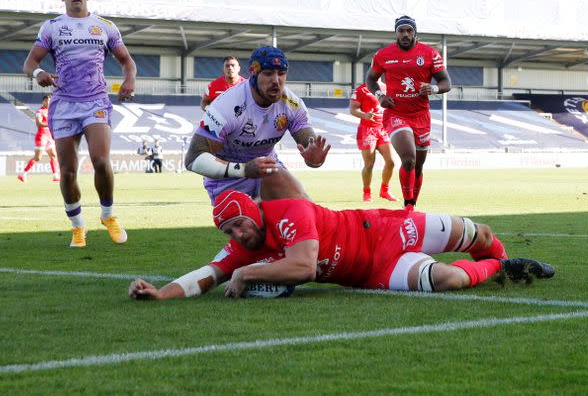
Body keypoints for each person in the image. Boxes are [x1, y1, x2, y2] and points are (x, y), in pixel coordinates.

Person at [128, 190, 555, 300]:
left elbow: (304, 267)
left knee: (476, 232)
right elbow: (207, 274)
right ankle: (502, 269)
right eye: (229, 233)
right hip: (372, 272)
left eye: (239, 225)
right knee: (447, 280)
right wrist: (160, 292)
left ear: (256, 211)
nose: (237, 237)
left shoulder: (289, 210)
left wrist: (245, 273)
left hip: (384, 228)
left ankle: (498, 256)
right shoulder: (244, 245)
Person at [23, 0, 136, 248]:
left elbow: (126, 61)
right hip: (63, 105)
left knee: (100, 160)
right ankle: (78, 226)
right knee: (68, 172)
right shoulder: (52, 28)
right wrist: (38, 72)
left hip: (96, 101)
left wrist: (129, 79)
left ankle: (108, 215)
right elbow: (30, 62)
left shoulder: (104, 27)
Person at [184, 46, 330, 204]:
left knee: (304, 211)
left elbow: (309, 146)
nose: (276, 80)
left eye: (281, 74)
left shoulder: (292, 104)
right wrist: (244, 169)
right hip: (229, 179)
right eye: (268, 74)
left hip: (267, 169)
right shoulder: (225, 106)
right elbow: (193, 159)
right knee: (249, 226)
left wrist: (314, 159)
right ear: (253, 72)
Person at [365, 15, 451, 210]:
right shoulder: (383, 55)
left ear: (415, 33)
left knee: (418, 166)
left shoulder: (430, 54)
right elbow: (370, 79)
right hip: (396, 114)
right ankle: (408, 205)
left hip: (421, 116)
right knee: (409, 159)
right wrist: (379, 95)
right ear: (396, 33)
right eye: (401, 31)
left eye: (408, 31)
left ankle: (413, 204)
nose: (405, 34)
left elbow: (446, 82)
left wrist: (434, 88)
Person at [349, 81, 397, 202]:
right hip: (367, 130)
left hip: (383, 129)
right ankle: (367, 192)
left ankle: (384, 190)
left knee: (391, 162)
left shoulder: (387, 87)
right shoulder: (361, 89)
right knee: (369, 165)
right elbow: (353, 109)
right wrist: (365, 115)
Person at [18, 93, 60, 182]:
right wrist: (50, 124)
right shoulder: (40, 112)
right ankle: (23, 174)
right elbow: (39, 123)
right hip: (42, 137)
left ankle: (55, 176)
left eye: (49, 100)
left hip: (49, 137)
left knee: (53, 155)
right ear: (43, 102)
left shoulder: (52, 111)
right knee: (38, 158)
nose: (48, 102)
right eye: (46, 100)